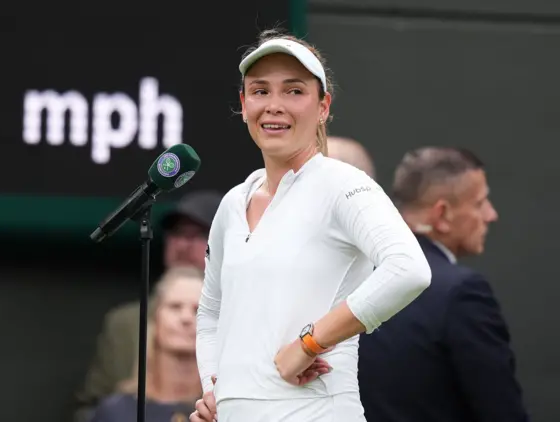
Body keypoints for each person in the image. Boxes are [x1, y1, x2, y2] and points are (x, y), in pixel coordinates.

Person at [189, 29, 432, 422]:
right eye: (260, 90)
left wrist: (309, 343)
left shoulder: (343, 184)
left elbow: (409, 269)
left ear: (323, 107)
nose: (274, 105)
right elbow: (212, 311)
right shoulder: (234, 202)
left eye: (294, 91)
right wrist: (218, 390)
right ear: (243, 103)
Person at [358, 147, 529, 422]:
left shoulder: (353, 275)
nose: (490, 215)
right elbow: (501, 410)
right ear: (442, 214)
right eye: (480, 203)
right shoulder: (461, 292)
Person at [74, 191, 222, 422]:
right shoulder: (125, 322)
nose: (184, 244)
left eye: (199, 234)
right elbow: (91, 405)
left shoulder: (240, 322)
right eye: (178, 234)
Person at [90, 266, 205, 422]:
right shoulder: (115, 411)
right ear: (155, 320)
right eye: (175, 307)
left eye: (198, 309)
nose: (186, 318)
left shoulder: (227, 407)